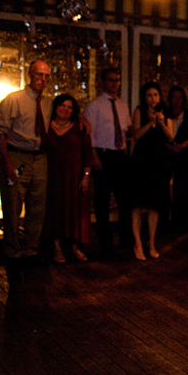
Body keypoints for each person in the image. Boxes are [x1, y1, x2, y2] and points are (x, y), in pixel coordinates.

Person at [0, 60, 53, 263]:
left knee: (37, 206)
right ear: (30, 74)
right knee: (12, 204)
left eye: (46, 76)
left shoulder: (47, 103)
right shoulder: (14, 100)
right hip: (17, 155)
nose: (42, 79)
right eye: (39, 75)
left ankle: (31, 248)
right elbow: (0, 132)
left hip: (39, 157)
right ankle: (12, 248)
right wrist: (7, 161)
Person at [83, 68, 133, 253]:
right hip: (103, 154)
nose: (114, 83)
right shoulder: (94, 105)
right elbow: (90, 135)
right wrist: (94, 156)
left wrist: (130, 133)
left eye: (117, 80)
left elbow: (126, 130)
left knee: (125, 199)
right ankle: (104, 239)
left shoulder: (122, 105)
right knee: (102, 200)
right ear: (103, 82)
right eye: (111, 80)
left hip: (120, 154)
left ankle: (126, 238)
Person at [42, 94, 93, 264]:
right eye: (62, 105)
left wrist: (86, 177)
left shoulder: (80, 127)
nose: (65, 109)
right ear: (55, 107)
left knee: (75, 213)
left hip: (74, 177)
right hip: (52, 176)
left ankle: (75, 248)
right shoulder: (45, 127)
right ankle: (57, 249)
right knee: (55, 212)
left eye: (70, 107)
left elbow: (87, 154)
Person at [130, 82, 174, 261]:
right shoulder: (139, 110)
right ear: (144, 97)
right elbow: (136, 135)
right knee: (138, 204)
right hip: (141, 162)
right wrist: (150, 123)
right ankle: (137, 244)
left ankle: (152, 243)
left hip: (158, 163)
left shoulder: (166, 111)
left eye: (155, 95)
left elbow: (171, 137)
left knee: (154, 205)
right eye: (149, 95)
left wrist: (162, 123)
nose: (153, 99)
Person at [165, 86, 188, 232]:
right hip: (167, 155)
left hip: (184, 156)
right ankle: (164, 222)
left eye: (179, 97)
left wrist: (181, 146)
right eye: (174, 97)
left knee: (183, 191)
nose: (177, 101)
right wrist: (170, 147)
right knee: (164, 189)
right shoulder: (164, 114)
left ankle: (182, 224)